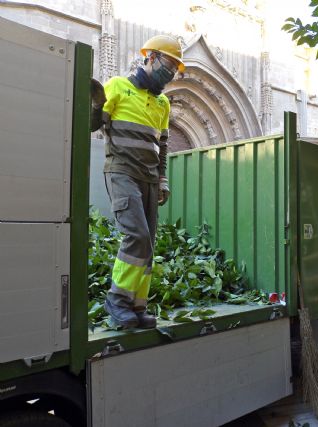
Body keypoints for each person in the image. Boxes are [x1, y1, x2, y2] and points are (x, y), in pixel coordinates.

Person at [90, 35, 185, 328]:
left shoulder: (162, 104)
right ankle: (117, 300)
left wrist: (163, 180)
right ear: (151, 57)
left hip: (150, 179)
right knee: (138, 237)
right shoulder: (118, 86)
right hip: (122, 171)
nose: (171, 72)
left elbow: (163, 147)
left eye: (175, 68)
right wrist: (96, 104)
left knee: (148, 245)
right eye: (168, 64)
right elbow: (91, 126)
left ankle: (137, 306)